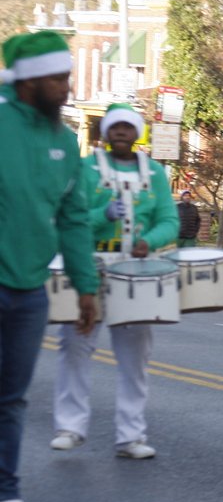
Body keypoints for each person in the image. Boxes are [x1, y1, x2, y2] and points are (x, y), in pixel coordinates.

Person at [0, 31, 99, 502]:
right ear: (29, 80)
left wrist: (86, 287)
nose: (67, 87)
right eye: (59, 78)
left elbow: (74, 219)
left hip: (29, 290)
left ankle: (5, 497)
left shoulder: (64, 140)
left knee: (12, 397)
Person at [51, 103, 179, 461]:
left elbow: (169, 220)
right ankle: (70, 427)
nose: (121, 132)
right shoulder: (86, 168)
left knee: (135, 356)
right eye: (115, 127)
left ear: (137, 133)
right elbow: (69, 217)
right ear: (105, 133)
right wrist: (100, 214)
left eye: (128, 127)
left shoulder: (154, 172)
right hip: (89, 264)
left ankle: (131, 435)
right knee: (75, 347)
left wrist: (149, 241)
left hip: (135, 271)